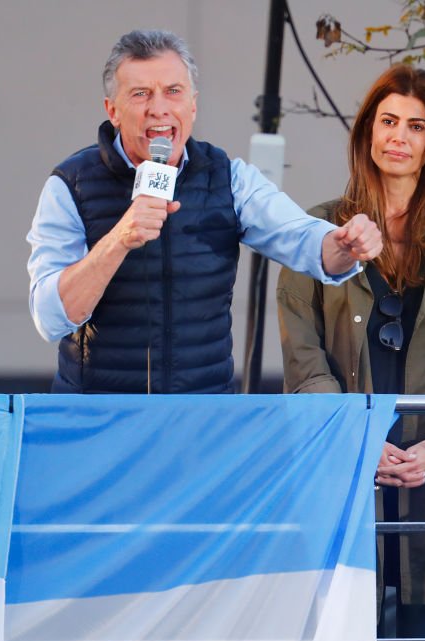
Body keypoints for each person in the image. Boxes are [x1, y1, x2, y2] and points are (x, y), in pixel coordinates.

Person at [277, 64, 425, 641]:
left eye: (415, 125)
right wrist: (359, 440)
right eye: (387, 121)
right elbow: (303, 363)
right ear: (367, 133)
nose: (398, 136)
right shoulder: (316, 232)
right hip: (347, 465)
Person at [26, 29, 381, 394]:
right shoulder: (71, 185)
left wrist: (342, 245)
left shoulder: (228, 178)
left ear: (193, 105)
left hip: (203, 419)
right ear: (112, 111)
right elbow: (50, 318)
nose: (159, 108)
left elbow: (301, 237)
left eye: (173, 91)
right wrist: (118, 239)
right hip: (100, 423)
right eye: (140, 94)